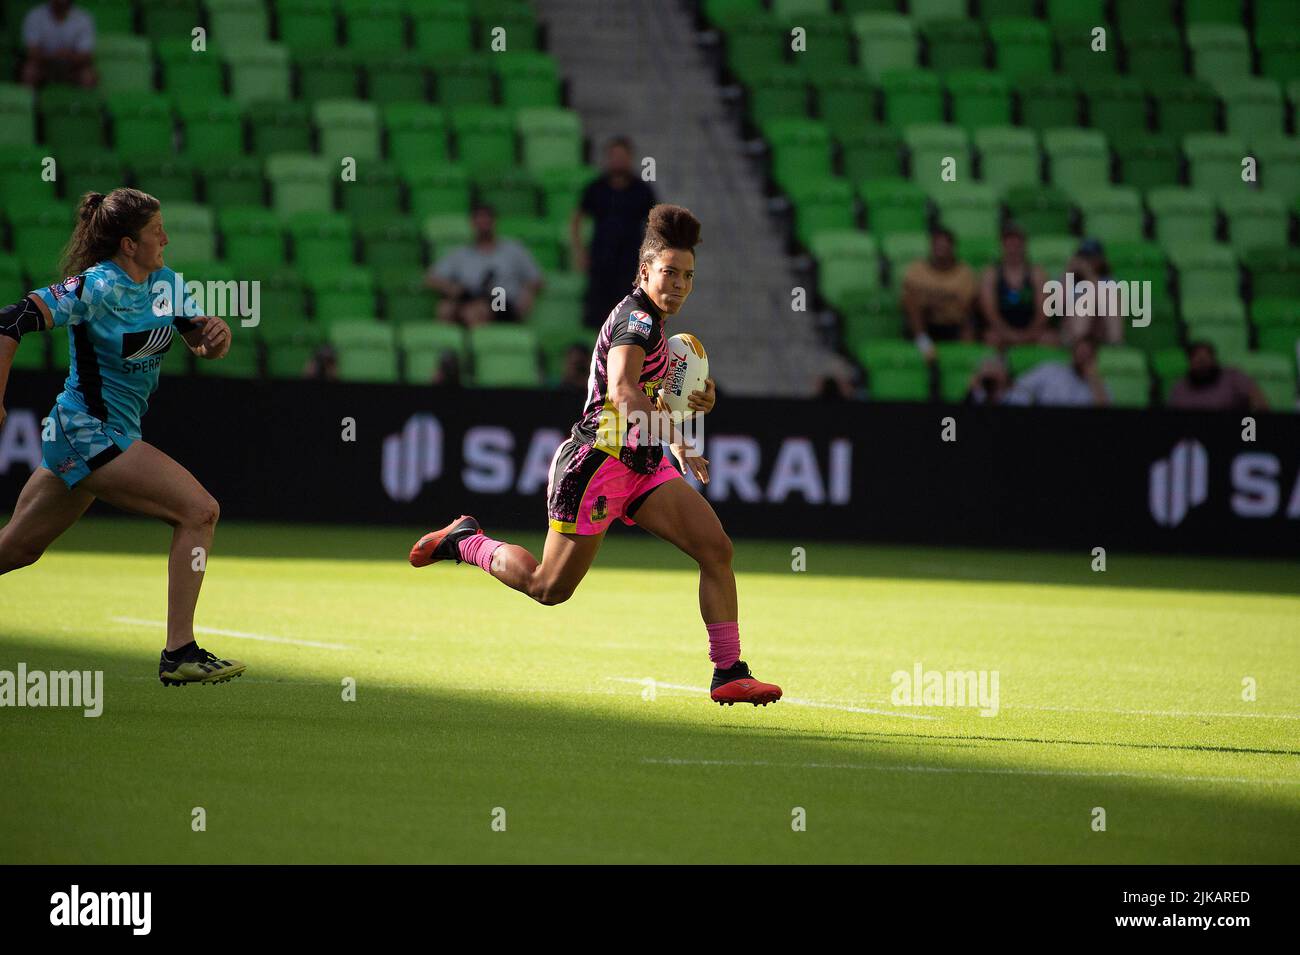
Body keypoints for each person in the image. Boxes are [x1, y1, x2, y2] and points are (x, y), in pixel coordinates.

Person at [408, 205, 783, 707]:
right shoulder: (635, 322)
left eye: (688, 275)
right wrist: (676, 438)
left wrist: (701, 398)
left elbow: (662, 390)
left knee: (715, 550)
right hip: (596, 465)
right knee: (548, 588)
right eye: (669, 272)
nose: (679, 284)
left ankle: (728, 671)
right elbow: (625, 392)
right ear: (646, 270)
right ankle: (467, 541)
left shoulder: (657, 328)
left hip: (640, 465)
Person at [0, 188, 245, 686]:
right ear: (129, 244)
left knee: (18, 550)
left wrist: (213, 339)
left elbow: (196, 337)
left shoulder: (166, 284)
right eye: (157, 231)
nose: (166, 238)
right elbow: (11, 319)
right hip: (87, 431)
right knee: (199, 511)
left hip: (104, 432)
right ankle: (180, 653)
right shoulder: (96, 286)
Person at [572, 136, 658, 329]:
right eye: (614, 156)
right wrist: (579, 251)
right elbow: (576, 219)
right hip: (600, 263)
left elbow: (656, 224)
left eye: (622, 156)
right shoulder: (595, 188)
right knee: (598, 318)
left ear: (630, 158)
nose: (618, 160)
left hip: (630, 265)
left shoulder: (642, 190)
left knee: (629, 318)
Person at [425, 204, 542, 327]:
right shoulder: (461, 253)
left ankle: (477, 344)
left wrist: (528, 294)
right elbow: (431, 278)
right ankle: (449, 343)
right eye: (479, 220)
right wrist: (452, 288)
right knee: (445, 308)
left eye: (486, 219)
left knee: (475, 311)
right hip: (471, 296)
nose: (483, 224)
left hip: (501, 300)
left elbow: (536, 279)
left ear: (494, 222)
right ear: (472, 223)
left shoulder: (513, 250)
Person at [901, 226, 978, 361]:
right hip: (925, 322)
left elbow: (966, 304)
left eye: (944, 245)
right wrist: (941, 301)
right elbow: (908, 297)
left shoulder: (965, 272)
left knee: (970, 318)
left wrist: (935, 300)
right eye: (937, 245)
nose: (940, 249)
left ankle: (964, 359)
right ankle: (923, 342)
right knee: (913, 303)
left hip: (952, 323)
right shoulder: (916, 269)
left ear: (952, 247)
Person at [980, 222, 1054, 348]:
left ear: (1024, 244)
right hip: (1001, 330)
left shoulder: (1037, 273)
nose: (1013, 246)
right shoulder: (991, 274)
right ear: (1002, 245)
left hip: (1032, 329)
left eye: (1016, 241)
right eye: (1008, 241)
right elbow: (990, 313)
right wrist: (1009, 334)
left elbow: (1044, 311)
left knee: (1050, 339)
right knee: (991, 338)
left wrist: (1029, 334)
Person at [1002, 335, 1110, 407]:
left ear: (1094, 358)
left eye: (1087, 354)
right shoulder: (1050, 370)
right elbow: (1020, 387)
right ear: (1072, 353)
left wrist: (1093, 379)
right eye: (1080, 353)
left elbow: (1105, 414)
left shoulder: (1098, 384)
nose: (1082, 358)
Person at [1168, 341, 1269, 412]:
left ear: (1213, 359)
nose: (1202, 365)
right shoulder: (1180, 388)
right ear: (1190, 362)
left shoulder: (1233, 377)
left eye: (1206, 359)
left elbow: (1258, 401)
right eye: (1198, 361)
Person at [1060, 238, 1123, 347]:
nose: (1086, 262)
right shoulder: (1068, 279)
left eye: (1090, 258)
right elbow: (1057, 305)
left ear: (1100, 260)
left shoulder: (1108, 280)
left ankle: (1115, 344)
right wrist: (1068, 273)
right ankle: (1079, 345)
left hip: (1101, 330)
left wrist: (1088, 275)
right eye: (1083, 258)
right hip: (1072, 332)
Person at [20, 0, 97, 89]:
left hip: (72, 67)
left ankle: (85, 102)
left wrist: (67, 56)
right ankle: (30, 101)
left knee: (88, 76)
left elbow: (85, 55)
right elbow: (32, 52)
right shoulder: (35, 15)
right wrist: (54, 56)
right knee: (29, 72)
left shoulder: (84, 18)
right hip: (43, 65)